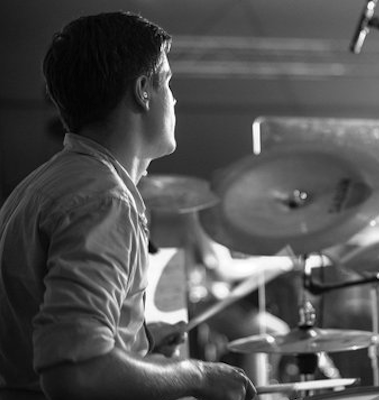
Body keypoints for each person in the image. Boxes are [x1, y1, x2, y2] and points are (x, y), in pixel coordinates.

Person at [0, 11, 256, 400]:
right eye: (167, 81)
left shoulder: (42, 185)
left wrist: (138, 345)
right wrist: (195, 374)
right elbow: (75, 374)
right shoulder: (103, 199)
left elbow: (48, 345)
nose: (174, 98)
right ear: (143, 91)